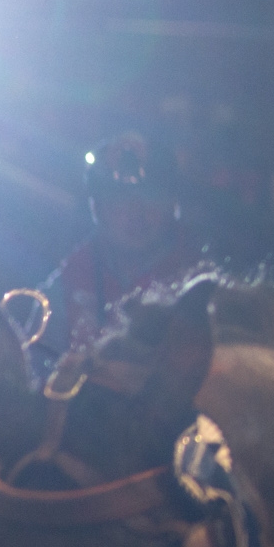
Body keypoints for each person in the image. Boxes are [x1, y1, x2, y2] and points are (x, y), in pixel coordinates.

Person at [30, 132, 206, 371]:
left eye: (150, 196)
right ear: (96, 208)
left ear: (173, 204)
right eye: (118, 199)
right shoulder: (65, 287)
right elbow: (36, 374)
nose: (135, 212)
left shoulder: (203, 287)